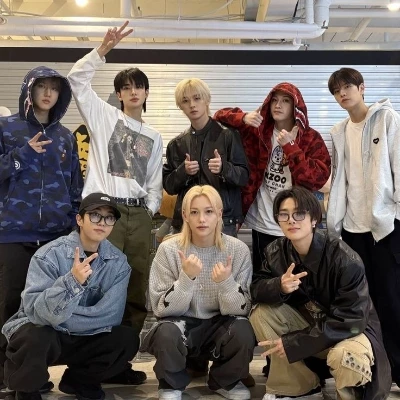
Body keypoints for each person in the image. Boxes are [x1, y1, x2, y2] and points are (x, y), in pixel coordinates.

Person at [67, 21, 163, 384]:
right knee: (96, 285)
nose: (133, 91)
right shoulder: (103, 116)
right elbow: (76, 80)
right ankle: (85, 365)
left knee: (135, 289)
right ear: (119, 94)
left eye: (139, 85)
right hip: (104, 212)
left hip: (138, 215)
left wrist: (149, 210)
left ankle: (119, 363)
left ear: (146, 92)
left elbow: (154, 180)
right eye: (126, 87)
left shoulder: (153, 135)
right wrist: (102, 50)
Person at [250, 186, 391, 400]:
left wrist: (295, 343)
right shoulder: (275, 252)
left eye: (299, 214)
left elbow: (350, 320)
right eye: (284, 214)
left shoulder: (344, 259)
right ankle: (299, 387)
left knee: (347, 357)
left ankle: (350, 395)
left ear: (314, 219)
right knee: (261, 314)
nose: (291, 220)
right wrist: (279, 286)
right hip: (311, 329)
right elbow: (256, 289)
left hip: (349, 333)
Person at [1, 193, 139, 400]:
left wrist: (62, 318)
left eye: (109, 217)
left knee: (126, 339)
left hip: (75, 334)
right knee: (36, 335)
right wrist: (71, 283)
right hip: (48, 334)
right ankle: (27, 389)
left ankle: (80, 382)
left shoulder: (119, 263)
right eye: (95, 215)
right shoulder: (49, 254)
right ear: (79, 219)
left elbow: (111, 316)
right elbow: (36, 312)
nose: (102, 222)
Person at [0, 67, 83, 393]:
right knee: (9, 305)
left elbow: (74, 185)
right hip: (13, 234)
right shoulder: (7, 128)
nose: (48, 93)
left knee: (45, 309)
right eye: (41, 87)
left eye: (54, 88)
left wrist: (73, 226)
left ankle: (33, 375)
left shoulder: (65, 137)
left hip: (54, 237)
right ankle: (5, 374)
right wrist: (22, 155)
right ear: (29, 90)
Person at [141, 185, 255, 400]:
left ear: (219, 214)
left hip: (220, 324)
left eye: (208, 211)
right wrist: (186, 279)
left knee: (243, 329)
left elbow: (243, 309)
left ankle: (226, 381)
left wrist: (226, 283)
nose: (202, 219)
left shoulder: (237, 249)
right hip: (181, 323)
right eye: (194, 212)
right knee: (165, 332)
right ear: (185, 215)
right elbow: (160, 309)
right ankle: (171, 384)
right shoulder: (169, 249)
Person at [327, 67, 400, 387]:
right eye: (336, 90)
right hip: (352, 230)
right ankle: (373, 374)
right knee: (362, 305)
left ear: (362, 87)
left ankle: (399, 371)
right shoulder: (339, 131)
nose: (342, 94)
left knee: (391, 302)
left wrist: (396, 216)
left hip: (385, 228)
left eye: (347, 87)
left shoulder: (387, 120)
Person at [214, 82, 331, 273]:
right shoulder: (258, 131)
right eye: (274, 100)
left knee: (298, 278)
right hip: (263, 221)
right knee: (264, 278)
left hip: (297, 223)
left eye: (285, 101)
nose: (278, 105)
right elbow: (219, 116)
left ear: (296, 107)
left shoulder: (310, 137)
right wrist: (243, 117)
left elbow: (318, 178)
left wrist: (291, 148)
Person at [163, 78, 249, 238]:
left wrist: (224, 168)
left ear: (207, 100)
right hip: (187, 221)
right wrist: (183, 172)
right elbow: (168, 186)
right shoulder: (176, 144)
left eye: (197, 98)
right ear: (180, 106)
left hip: (223, 219)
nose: (192, 105)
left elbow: (244, 176)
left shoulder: (228, 135)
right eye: (185, 101)